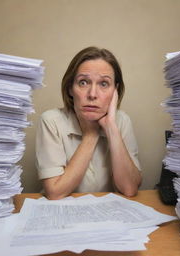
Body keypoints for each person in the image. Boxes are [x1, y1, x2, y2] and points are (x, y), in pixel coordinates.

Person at [36, 46, 142, 199]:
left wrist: (111, 127)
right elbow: (55, 192)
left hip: (109, 215)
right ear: (70, 88)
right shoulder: (51, 121)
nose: (92, 94)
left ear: (115, 91)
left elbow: (130, 189)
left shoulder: (122, 121)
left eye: (104, 84)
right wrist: (91, 134)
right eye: (83, 82)